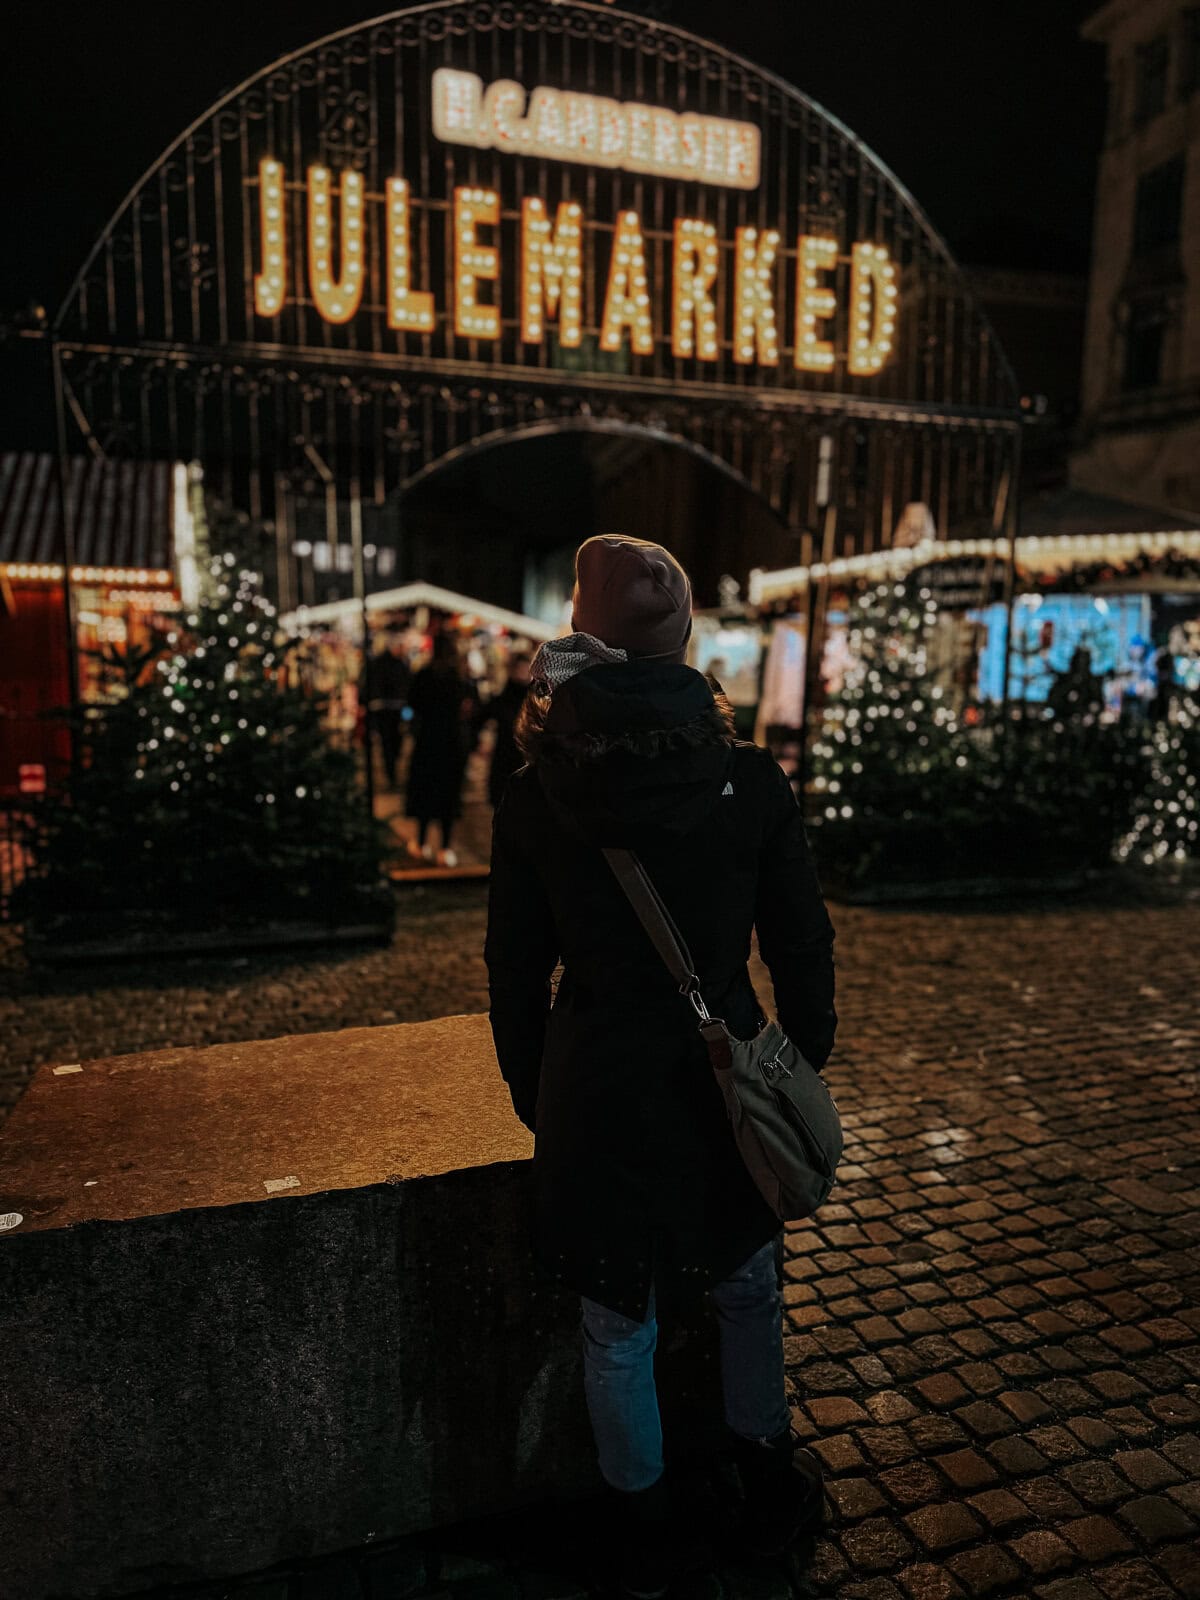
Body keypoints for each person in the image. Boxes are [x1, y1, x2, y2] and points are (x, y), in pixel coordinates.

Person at [484, 536, 837, 1597]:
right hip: (721, 1068)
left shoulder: (536, 792)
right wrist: (795, 1055)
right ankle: (759, 1470)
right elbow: (803, 940)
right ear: (685, 641)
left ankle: (640, 1512)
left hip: (594, 1081)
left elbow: (514, 968)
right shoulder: (748, 778)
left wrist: (531, 1088)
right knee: (745, 1281)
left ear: (583, 643)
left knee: (616, 1318)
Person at [404, 631, 479, 866]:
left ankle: (421, 842)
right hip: (452, 744)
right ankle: (445, 848)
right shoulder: (460, 679)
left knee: (425, 795)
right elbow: (471, 709)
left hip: (427, 743)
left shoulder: (424, 676)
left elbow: (411, 705)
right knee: (448, 797)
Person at [475, 651, 533, 810]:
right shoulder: (503, 699)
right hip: (504, 760)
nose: (523, 673)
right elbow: (480, 718)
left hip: (526, 763)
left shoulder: (535, 701)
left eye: (525, 669)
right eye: (519, 669)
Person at [365, 629, 411, 790]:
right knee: (392, 742)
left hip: (387, 708)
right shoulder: (393, 664)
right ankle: (391, 772)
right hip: (390, 709)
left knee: (390, 743)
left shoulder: (383, 664)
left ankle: (391, 771)